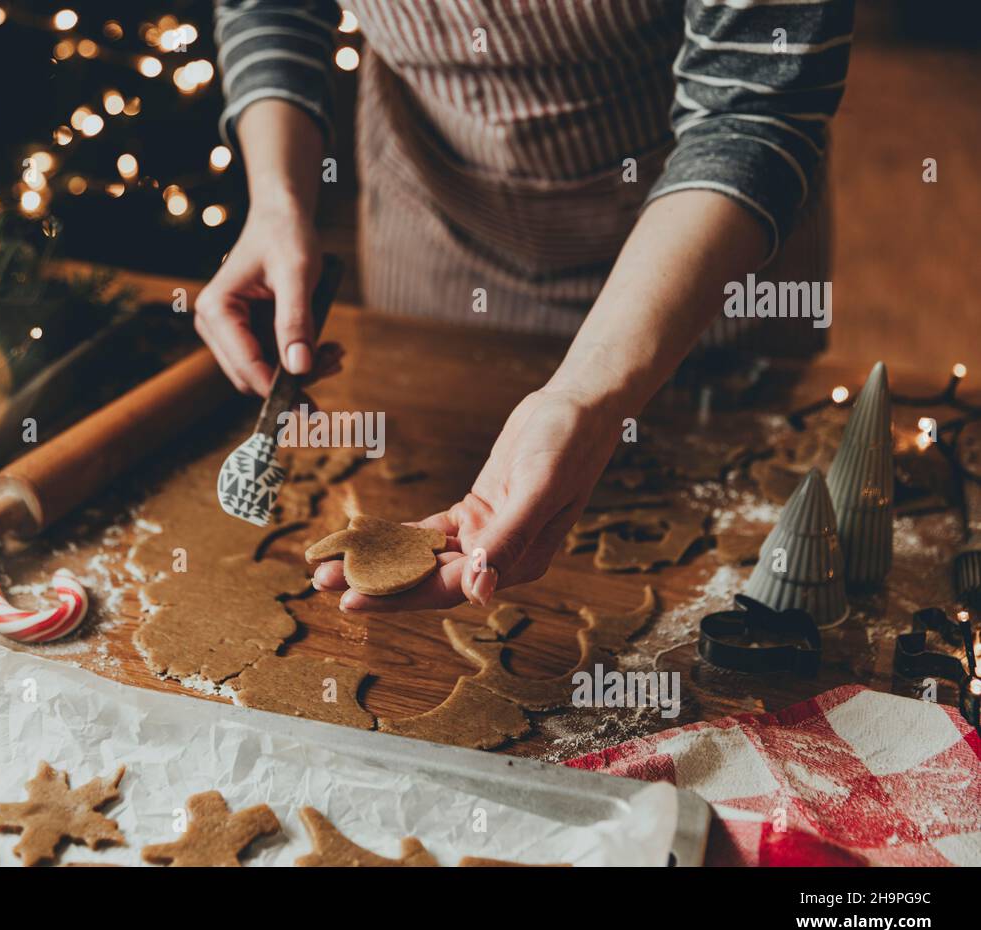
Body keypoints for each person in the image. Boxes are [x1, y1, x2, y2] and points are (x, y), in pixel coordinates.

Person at [193, 0, 855, 612]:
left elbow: (750, 110)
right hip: (433, 213)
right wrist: (277, 201)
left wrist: (584, 395)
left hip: (699, 246)